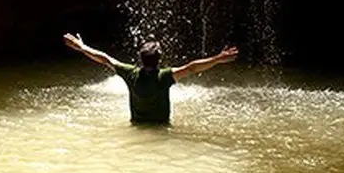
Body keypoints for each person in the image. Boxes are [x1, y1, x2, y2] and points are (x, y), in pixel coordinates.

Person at [62, 33, 239, 124]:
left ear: (140, 58)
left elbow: (105, 58)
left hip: (136, 126)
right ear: (159, 59)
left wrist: (82, 47)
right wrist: (217, 59)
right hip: (162, 129)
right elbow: (191, 68)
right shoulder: (165, 77)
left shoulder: (130, 73)